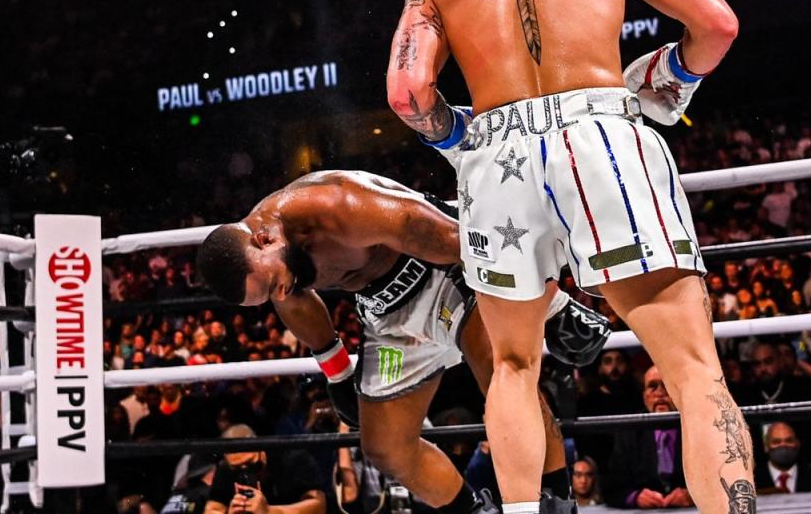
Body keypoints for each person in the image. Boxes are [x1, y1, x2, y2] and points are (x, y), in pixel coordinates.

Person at [385, 0, 752, 514]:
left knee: (514, 368)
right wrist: (669, 82)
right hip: (603, 136)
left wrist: (461, 137)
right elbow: (717, 23)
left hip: (498, 163)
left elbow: (407, 94)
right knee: (695, 370)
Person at [197, 170, 609, 514]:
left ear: (266, 240)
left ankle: (555, 503)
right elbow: (295, 299)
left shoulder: (336, 205)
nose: (279, 295)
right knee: (386, 446)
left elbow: (448, 234)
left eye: (272, 284)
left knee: (507, 380)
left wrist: (549, 301)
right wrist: (338, 372)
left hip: (447, 271)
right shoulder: (271, 257)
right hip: (385, 313)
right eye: (267, 296)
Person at [605, 365, 691, 509]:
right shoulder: (629, 432)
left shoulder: (695, 428)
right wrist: (635, 497)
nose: (660, 393)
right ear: (644, 396)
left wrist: (692, 495)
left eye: (666, 385)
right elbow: (611, 487)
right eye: (652, 386)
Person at [204, 424, 325, 514]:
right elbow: (212, 508)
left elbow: (319, 506)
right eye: (237, 468)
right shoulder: (225, 469)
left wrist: (269, 511)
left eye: (251, 464)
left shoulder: (292, 458)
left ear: (261, 449)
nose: (245, 470)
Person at [754, 422, 811, 494]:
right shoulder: (752, 479)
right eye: (776, 442)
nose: (783, 445)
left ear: (797, 444)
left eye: (789, 441)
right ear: (767, 446)